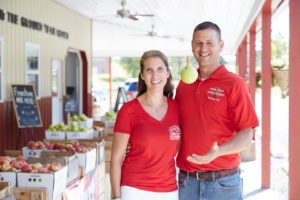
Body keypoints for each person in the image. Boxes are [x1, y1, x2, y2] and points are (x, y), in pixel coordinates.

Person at [176, 21, 259, 200]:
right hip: (186, 182)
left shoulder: (235, 84)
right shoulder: (184, 85)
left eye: (210, 43)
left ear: (221, 46)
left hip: (223, 184)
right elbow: (176, 128)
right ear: (192, 46)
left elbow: (247, 134)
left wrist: (218, 152)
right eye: (198, 43)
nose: (203, 48)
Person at [110, 50, 181, 200]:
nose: (155, 76)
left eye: (160, 69)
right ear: (142, 75)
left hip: (168, 190)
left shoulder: (177, 108)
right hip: (134, 190)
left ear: (167, 73)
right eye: (149, 70)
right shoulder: (128, 110)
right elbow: (116, 159)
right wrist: (116, 197)